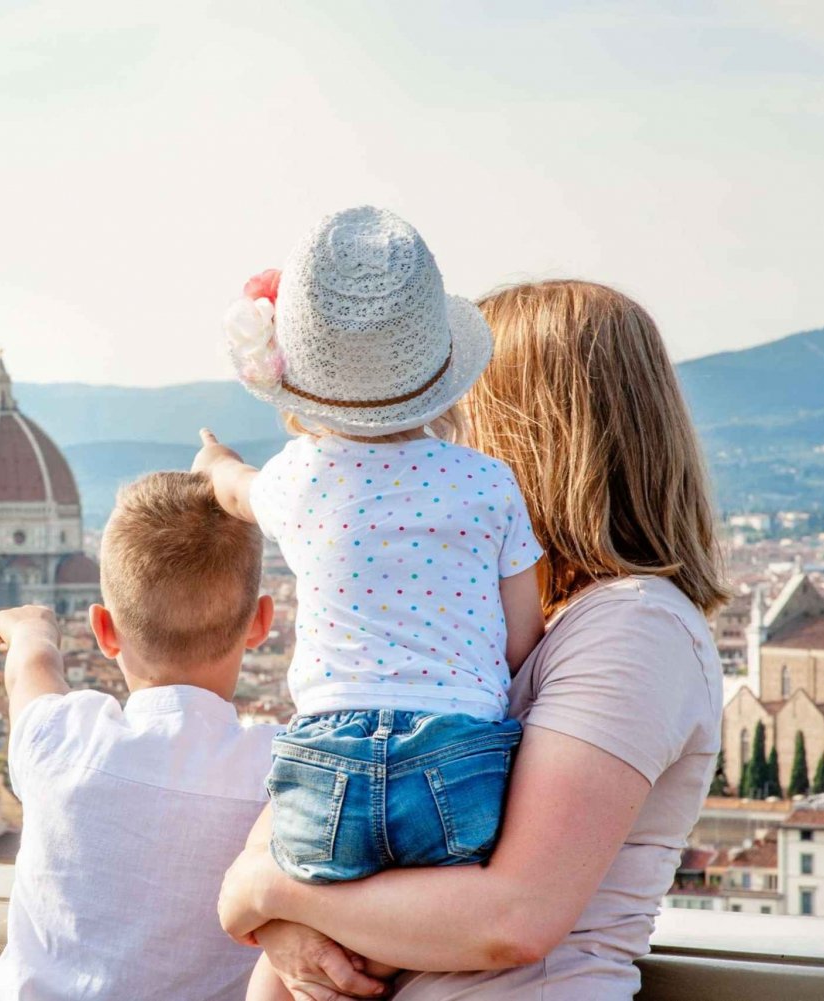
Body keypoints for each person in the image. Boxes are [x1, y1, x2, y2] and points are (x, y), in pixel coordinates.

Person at [217, 279, 731, 1001]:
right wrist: (277, 912)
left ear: (529, 431)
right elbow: (305, 825)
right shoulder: (474, 637)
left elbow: (512, 916)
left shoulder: (637, 626)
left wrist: (266, 893)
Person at [194, 205, 545, 999]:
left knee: (289, 962)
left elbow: (232, 488)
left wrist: (212, 459)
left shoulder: (296, 477)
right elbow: (522, 638)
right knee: (400, 942)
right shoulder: (490, 483)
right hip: (459, 764)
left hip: (326, 770)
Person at [0, 471, 282, 1001]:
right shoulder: (284, 771)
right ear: (260, 623)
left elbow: (32, 670)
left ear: (104, 630)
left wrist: (30, 628)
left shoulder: (62, 739)